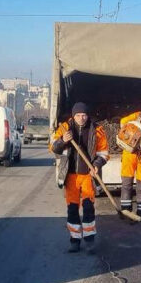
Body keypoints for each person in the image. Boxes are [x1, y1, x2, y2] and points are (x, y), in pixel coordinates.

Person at [51, 102, 109, 253]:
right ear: (73, 115)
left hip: (88, 175)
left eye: (84, 115)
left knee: (89, 208)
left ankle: (89, 241)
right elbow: (53, 148)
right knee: (72, 209)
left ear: (87, 115)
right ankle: (75, 240)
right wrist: (63, 140)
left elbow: (104, 152)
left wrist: (97, 164)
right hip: (70, 176)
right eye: (78, 115)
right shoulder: (64, 128)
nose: (81, 118)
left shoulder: (97, 130)